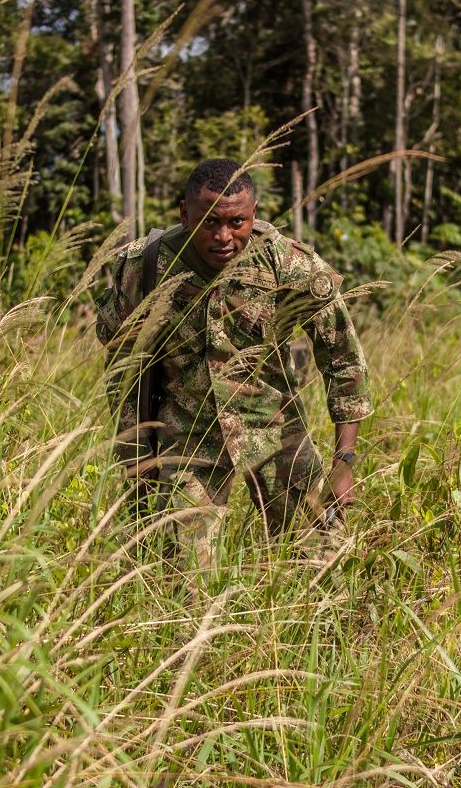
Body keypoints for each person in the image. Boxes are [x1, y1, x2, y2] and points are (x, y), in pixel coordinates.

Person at [96, 158, 372, 567]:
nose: (223, 236)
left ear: (254, 215)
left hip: (276, 430)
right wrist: (135, 455)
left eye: (237, 223)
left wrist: (344, 461)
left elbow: (343, 358)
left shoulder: (286, 263)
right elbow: (122, 366)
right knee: (184, 577)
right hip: (187, 437)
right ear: (184, 214)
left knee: (318, 559)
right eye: (208, 222)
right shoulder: (145, 265)